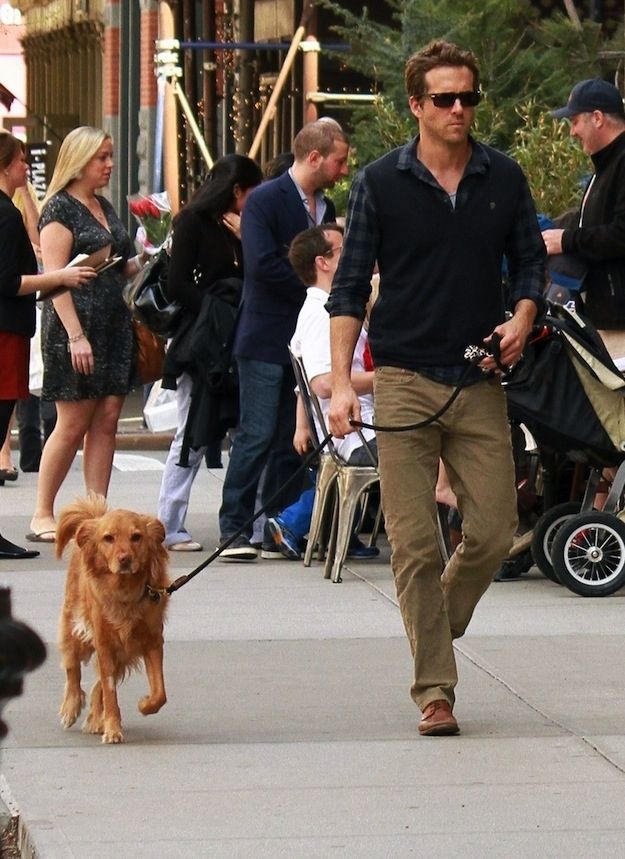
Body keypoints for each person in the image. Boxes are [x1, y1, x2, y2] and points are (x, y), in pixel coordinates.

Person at [327, 40, 546, 736]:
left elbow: (530, 266)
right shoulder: (378, 182)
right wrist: (339, 385)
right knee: (414, 543)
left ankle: (432, 632)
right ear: (416, 105)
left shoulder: (502, 177)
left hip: (478, 377)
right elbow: (346, 288)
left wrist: (520, 318)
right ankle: (435, 689)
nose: (459, 110)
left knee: (492, 530)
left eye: (468, 98)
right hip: (400, 379)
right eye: (445, 99)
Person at [218, 118, 350, 561]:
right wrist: (316, 285)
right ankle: (233, 527)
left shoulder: (323, 206)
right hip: (265, 333)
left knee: (290, 437)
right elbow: (260, 265)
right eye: (338, 160)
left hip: (306, 333)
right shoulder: (266, 200)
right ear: (314, 157)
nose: (343, 170)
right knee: (256, 432)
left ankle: (279, 525)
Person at [27, 126, 147, 543]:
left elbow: (118, 265)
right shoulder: (59, 209)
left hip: (113, 323)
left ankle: (97, 510)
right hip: (73, 326)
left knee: (108, 419)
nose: (110, 165)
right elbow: (55, 280)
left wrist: (147, 255)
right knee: (73, 421)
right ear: (79, 161)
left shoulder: (103, 205)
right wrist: (76, 335)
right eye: (102, 158)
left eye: (111, 156)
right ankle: (43, 511)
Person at [157, 154, 263, 551]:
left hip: (237, 338)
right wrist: (217, 312)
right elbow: (177, 283)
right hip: (201, 341)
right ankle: (168, 523)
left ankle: (250, 521)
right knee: (191, 433)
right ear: (236, 190)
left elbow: (257, 276)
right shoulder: (192, 222)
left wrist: (246, 239)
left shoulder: (241, 228)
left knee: (243, 428)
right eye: (252, 193)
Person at [0, 130, 95, 559]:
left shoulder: (10, 210)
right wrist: (59, 277)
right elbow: (6, 281)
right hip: (5, 331)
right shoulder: (4, 214)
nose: (26, 167)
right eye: (20, 161)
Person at [265, 224, 379, 560]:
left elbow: (306, 384)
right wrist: (386, 378)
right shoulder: (320, 314)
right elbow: (322, 383)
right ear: (323, 262)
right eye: (343, 250)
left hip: (353, 430)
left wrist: (303, 425)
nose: (352, 254)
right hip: (357, 434)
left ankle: (329, 532)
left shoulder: (324, 306)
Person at [542, 78, 625, 368]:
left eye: (575, 121)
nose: (572, 131)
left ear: (598, 118)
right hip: (606, 317)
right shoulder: (604, 169)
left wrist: (565, 241)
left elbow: (621, 235)